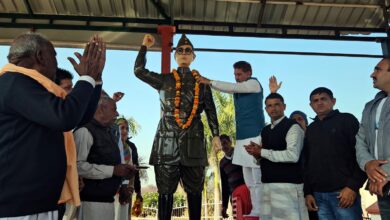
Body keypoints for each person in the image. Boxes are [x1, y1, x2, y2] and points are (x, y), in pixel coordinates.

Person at [0, 32, 105, 219]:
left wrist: (94, 80)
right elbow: (65, 117)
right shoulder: (14, 82)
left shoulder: (23, 84)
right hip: (21, 206)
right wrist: (86, 77)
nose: (56, 65)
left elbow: (79, 117)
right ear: (40, 56)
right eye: (54, 56)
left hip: (35, 202)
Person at [134, 33, 220, 220]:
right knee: (165, 191)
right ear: (175, 55)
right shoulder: (164, 79)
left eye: (188, 51)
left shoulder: (202, 84)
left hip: (194, 139)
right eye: (180, 50)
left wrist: (216, 135)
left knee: (195, 191)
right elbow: (139, 71)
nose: (183, 53)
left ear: (193, 56)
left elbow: (211, 111)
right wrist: (144, 47)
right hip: (167, 140)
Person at [198, 65, 281, 217]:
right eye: (235, 74)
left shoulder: (254, 84)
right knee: (249, 179)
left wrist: (209, 82)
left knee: (257, 178)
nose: (236, 77)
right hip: (242, 138)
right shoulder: (240, 89)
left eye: (239, 74)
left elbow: (231, 87)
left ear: (249, 73)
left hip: (255, 136)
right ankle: (256, 208)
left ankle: (262, 209)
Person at [304, 87, 367, 220]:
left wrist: (352, 187)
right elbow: (307, 163)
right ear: (311, 105)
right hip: (318, 196)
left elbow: (362, 153)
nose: (319, 103)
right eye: (315, 100)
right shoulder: (310, 129)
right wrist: (308, 192)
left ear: (333, 101)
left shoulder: (347, 120)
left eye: (323, 99)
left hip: (343, 194)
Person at [245, 93, 308, 220]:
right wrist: (256, 155)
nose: (273, 108)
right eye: (269, 106)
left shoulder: (293, 127)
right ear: (266, 109)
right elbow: (264, 158)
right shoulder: (265, 130)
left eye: (277, 105)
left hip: (288, 187)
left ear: (284, 106)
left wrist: (262, 152)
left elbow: (292, 155)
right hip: (267, 187)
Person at [75, 95, 137, 220]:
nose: (117, 113)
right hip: (90, 204)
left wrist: (124, 174)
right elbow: (77, 167)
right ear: (101, 109)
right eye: (114, 109)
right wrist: (113, 171)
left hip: (108, 202)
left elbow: (112, 164)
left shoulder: (108, 133)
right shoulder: (85, 131)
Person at [355, 58, 390, 219]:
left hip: (382, 179)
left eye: (377, 70)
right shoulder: (369, 106)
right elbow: (360, 140)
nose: (372, 74)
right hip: (381, 186)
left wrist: (383, 174)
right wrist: (367, 164)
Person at [115, 117, 143, 220]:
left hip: (125, 192)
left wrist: (131, 190)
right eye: (122, 128)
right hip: (111, 191)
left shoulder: (129, 148)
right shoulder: (110, 146)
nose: (125, 131)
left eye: (127, 128)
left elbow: (133, 171)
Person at [219, 134, 251, 218]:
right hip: (235, 197)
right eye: (222, 145)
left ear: (230, 142)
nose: (224, 146)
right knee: (238, 217)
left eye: (225, 143)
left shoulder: (241, 153)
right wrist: (224, 206)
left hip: (248, 193)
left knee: (250, 216)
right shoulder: (222, 163)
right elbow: (224, 186)